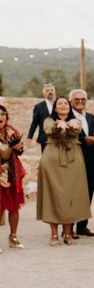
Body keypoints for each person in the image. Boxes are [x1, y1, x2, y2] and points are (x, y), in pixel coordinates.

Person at [37, 97, 91, 246]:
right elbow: (49, 130)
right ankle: (54, 234)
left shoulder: (76, 121)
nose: (63, 105)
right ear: (54, 108)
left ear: (70, 107)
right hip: (52, 160)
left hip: (73, 160)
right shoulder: (48, 120)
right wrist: (58, 125)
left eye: (65, 103)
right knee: (52, 196)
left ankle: (68, 233)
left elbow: (75, 132)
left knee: (71, 194)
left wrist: (69, 125)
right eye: (59, 103)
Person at [69, 89, 94, 238]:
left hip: (92, 160)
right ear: (71, 102)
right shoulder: (67, 117)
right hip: (75, 158)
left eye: (83, 99)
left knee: (89, 192)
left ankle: (82, 226)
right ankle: (68, 228)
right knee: (73, 193)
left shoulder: (91, 117)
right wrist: (83, 139)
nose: (80, 102)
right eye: (77, 100)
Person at [0, 105, 27, 251]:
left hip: (12, 173)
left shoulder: (12, 132)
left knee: (14, 206)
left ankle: (13, 236)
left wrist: (19, 148)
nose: (1, 117)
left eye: (3, 114)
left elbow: (21, 150)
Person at [27, 83, 56, 151]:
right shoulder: (38, 107)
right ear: (44, 93)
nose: (50, 92)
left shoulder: (59, 104)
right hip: (44, 138)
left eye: (51, 90)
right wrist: (29, 137)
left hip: (58, 137)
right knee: (46, 160)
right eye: (47, 91)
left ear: (54, 92)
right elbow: (34, 123)